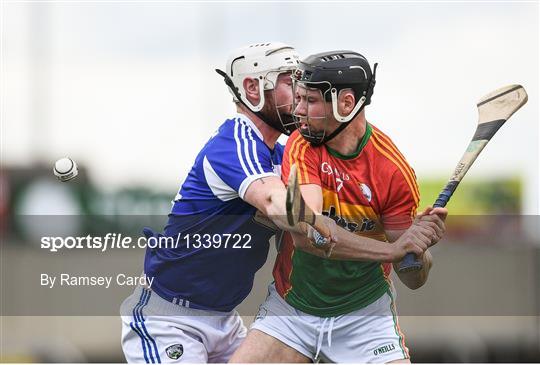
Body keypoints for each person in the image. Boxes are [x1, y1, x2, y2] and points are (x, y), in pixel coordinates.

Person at [120, 43, 442, 363]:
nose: (299, 102)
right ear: (253, 88)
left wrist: (413, 237)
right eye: (290, 83)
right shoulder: (235, 143)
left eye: (306, 92)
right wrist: (324, 224)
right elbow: (280, 203)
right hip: (171, 319)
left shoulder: (281, 153)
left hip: (225, 320)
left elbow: (407, 265)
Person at [230, 50, 448, 363]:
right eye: (299, 97)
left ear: (346, 103)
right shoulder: (302, 144)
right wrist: (393, 250)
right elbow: (309, 234)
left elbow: (413, 277)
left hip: (365, 319)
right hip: (293, 311)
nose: (298, 110)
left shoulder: (392, 170)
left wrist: (419, 246)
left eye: (310, 101)